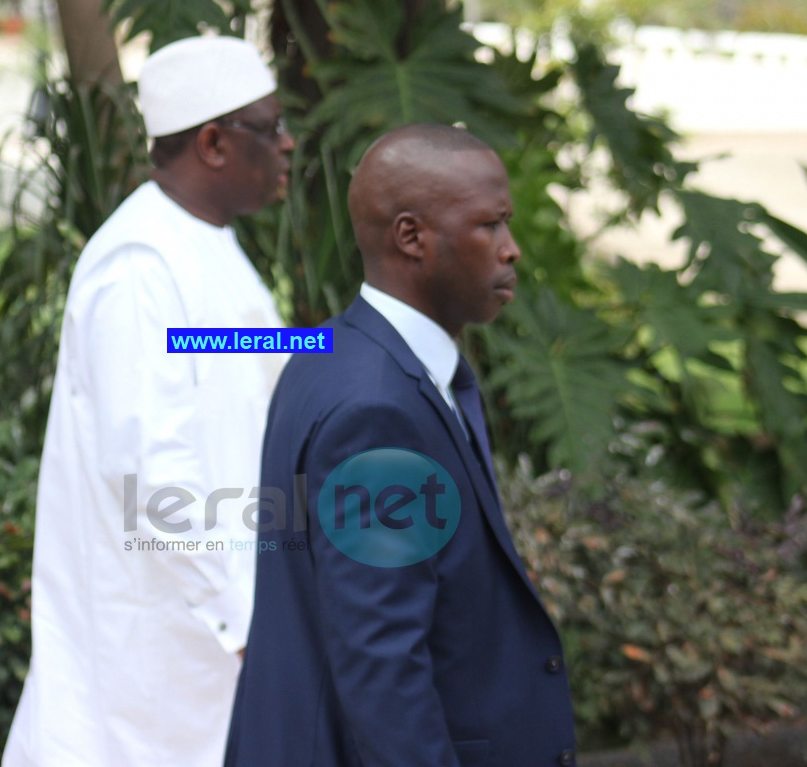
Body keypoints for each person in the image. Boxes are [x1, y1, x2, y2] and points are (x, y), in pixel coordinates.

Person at [224, 125, 578, 767]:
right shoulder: (377, 410)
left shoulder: (327, 354)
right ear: (411, 238)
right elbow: (382, 666)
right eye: (489, 226)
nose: (512, 249)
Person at [2, 36, 294, 767]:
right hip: (154, 658)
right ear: (214, 143)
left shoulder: (208, 246)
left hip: (211, 642)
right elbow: (151, 470)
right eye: (271, 127)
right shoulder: (140, 266)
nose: (288, 144)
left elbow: (260, 391)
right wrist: (241, 619)